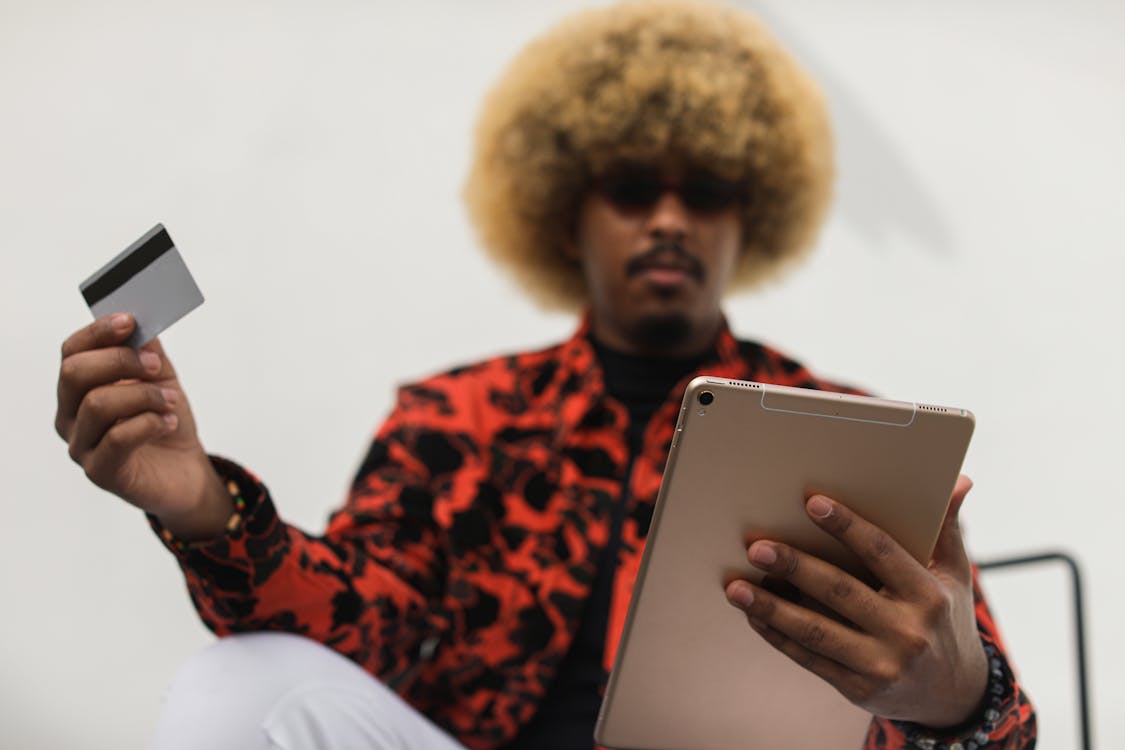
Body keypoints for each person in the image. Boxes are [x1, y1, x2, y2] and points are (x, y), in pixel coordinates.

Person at [54, 1, 1037, 748]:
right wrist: (202, 508)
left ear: (750, 219)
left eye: (703, 191)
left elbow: (1008, 727)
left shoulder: (845, 435)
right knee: (242, 681)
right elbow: (356, 636)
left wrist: (956, 695)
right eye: (627, 186)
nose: (667, 218)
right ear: (568, 211)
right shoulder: (456, 418)